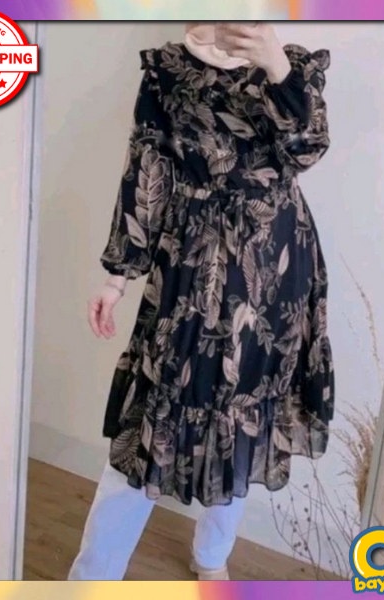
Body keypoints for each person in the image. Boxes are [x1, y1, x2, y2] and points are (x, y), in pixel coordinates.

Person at [69, 22, 335, 581]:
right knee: (152, 418)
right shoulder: (166, 70)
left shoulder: (291, 65)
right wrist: (118, 275)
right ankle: (90, 580)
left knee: (246, 413)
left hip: (274, 272)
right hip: (191, 267)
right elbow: (146, 172)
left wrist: (277, 67)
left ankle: (212, 557)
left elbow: (308, 149)